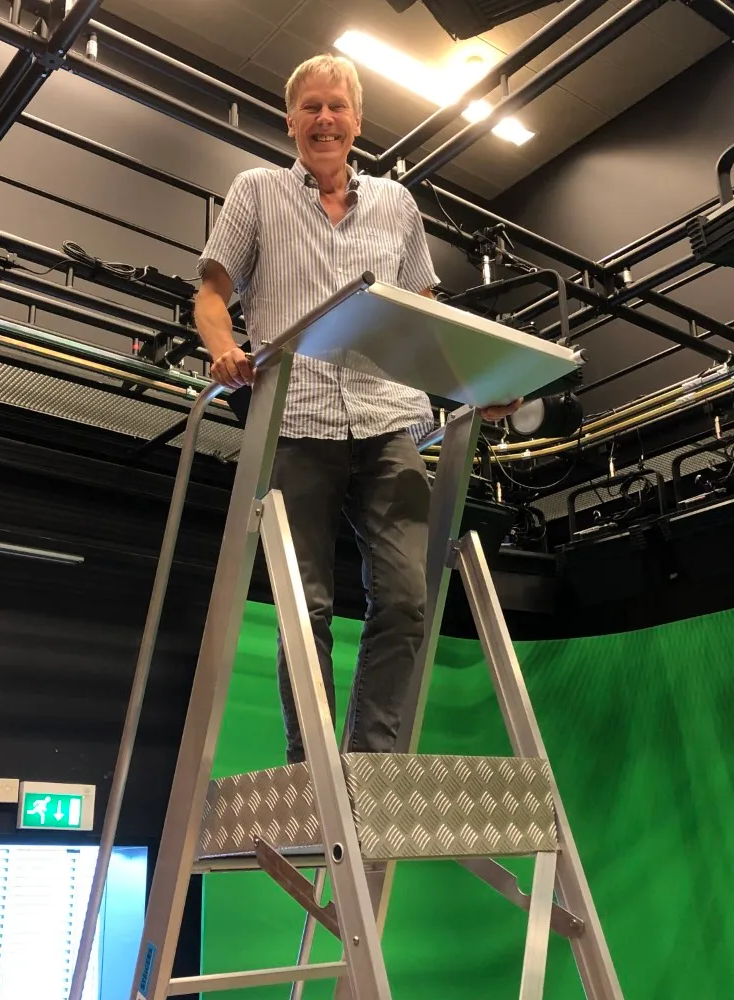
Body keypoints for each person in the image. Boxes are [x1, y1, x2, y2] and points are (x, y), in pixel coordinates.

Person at [194, 54, 519, 765]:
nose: (324, 119)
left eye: (336, 107)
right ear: (290, 121)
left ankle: (369, 765)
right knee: (304, 606)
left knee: (406, 597)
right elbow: (211, 294)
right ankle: (312, 768)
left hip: (387, 419)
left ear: (358, 122)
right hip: (295, 418)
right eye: (310, 107)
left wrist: (471, 386)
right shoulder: (256, 192)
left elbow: (426, 319)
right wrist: (223, 349)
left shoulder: (397, 205)